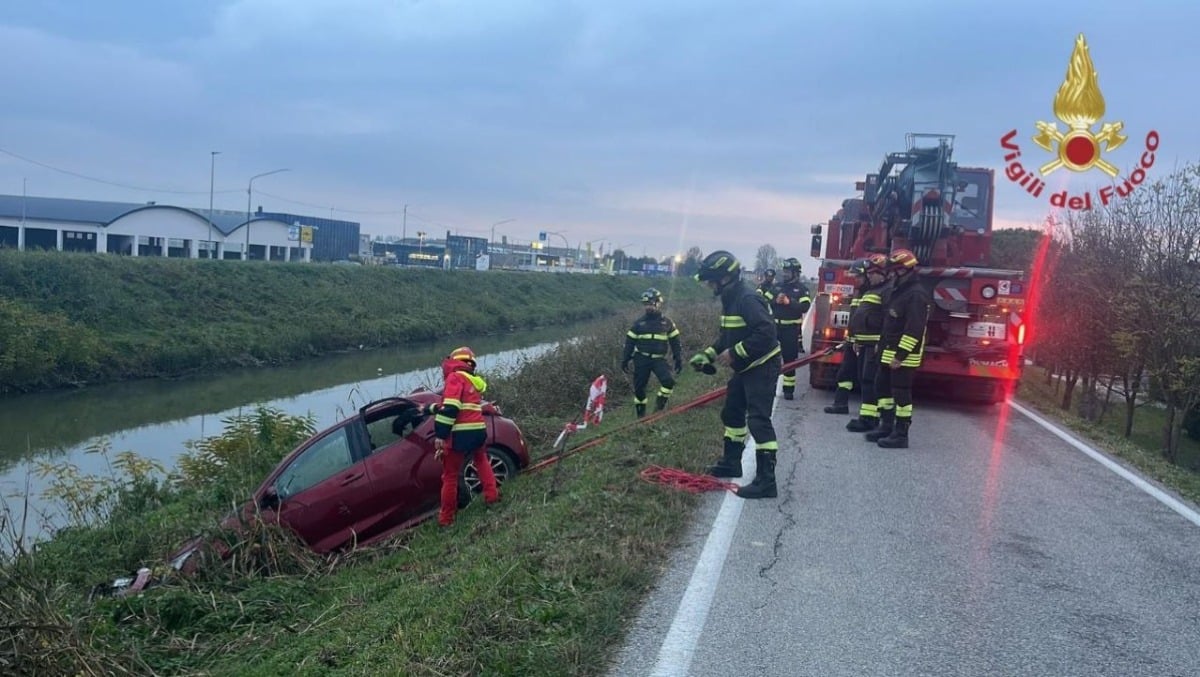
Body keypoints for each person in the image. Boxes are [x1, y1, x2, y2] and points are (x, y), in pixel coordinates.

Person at [690, 250, 783, 499]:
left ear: (725, 277)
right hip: (746, 367)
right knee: (731, 411)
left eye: (711, 280)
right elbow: (728, 335)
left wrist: (736, 352)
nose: (709, 285)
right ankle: (732, 462)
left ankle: (766, 481)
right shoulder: (730, 298)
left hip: (762, 365)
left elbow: (766, 333)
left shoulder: (747, 298)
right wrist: (709, 353)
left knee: (758, 420)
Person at [421, 346, 500, 526]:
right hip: (478, 430)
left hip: (459, 435)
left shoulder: (454, 378)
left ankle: (447, 518)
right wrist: (426, 409)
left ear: (454, 362)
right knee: (482, 462)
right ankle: (492, 496)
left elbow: (451, 408)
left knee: (449, 476)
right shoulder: (472, 381)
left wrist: (440, 435)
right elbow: (451, 405)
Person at [866, 249, 931, 448]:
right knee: (881, 387)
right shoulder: (898, 290)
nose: (891, 274)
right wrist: (881, 345)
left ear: (904, 270)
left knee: (901, 393)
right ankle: (886, 426)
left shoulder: (916, 294)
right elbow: (890, 322)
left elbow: (914, 329)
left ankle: (901, 434)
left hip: (903, 355)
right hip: (888, 350)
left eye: (894, 270)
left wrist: (901, 355)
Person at [824, 253, 887, 416]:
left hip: (869, 343)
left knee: (867, 377)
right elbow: (856, 319)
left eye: (858, 276)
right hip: (854, 341)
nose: (855, 280)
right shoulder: (861, 293)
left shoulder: (878, 292)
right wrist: (850, 339)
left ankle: (871, 415)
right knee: (845, 372)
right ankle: (840, 404)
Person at [842, 254, 892, 432]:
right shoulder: (872, 290)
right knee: (865, 380)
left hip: (875, 344)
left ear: (883, 273)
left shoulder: (886, 290)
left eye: (872, 273)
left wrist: (882, 342)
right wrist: (857, 339)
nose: (869, 276)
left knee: (870, 380)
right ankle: (867, 417)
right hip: (864, 343)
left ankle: (870, 419)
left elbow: (888, 320)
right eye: (868, 273)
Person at [621, 287, 684, 417]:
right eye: (646, 304)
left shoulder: (667, 323)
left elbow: (675, 341)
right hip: (641, 359)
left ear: (658, 303)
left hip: (658, 360)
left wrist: (678, 357)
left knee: (668, 382)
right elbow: (629, 342)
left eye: (651, 304)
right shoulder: (639, 324)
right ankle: (641, 417)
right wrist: (625, 358)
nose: (648, 307)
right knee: (639, 390)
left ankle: (658, 410)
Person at [769, 257, 812, 400]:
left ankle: (788, 391)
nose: (785, 274)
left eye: (788, 271)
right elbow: (763, 300)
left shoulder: (802, 289)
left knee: (789, 361)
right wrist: (775, 300)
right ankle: (769, 388)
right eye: (784, 271)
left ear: (795, 273)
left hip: (790, 330)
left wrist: (789, 302)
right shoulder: (776, 287)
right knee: (769, 359)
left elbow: (805, 307)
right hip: (774, 328)